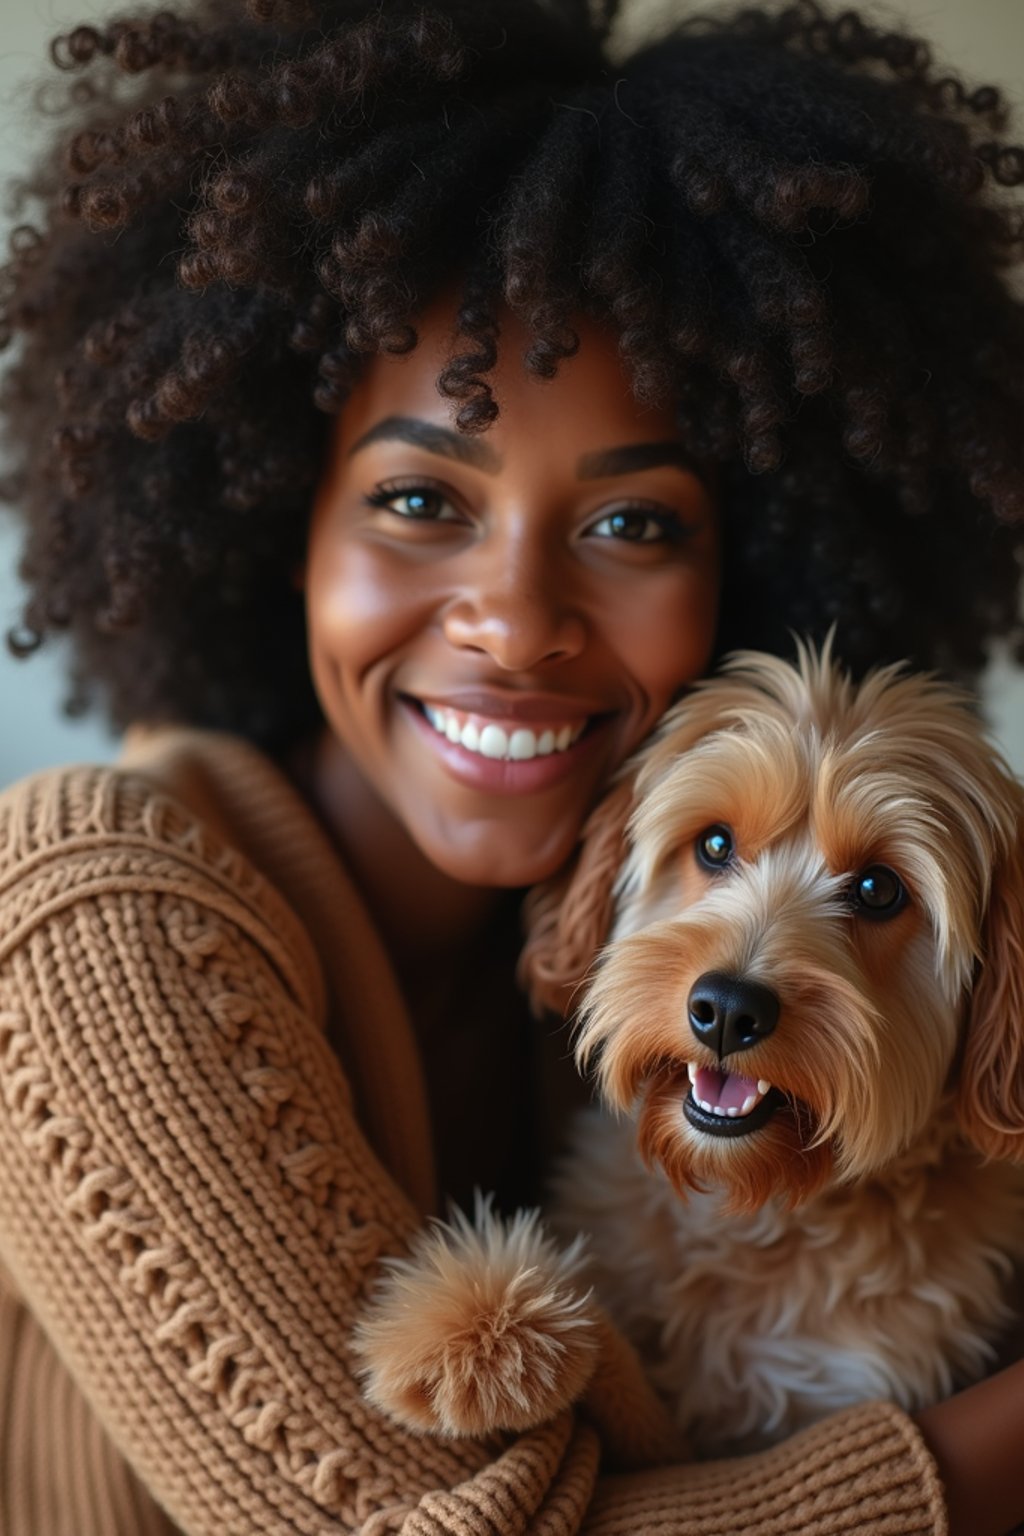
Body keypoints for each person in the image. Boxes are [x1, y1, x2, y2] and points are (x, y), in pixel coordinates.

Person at [0, 0, 1022, 1531]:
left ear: (738, 572)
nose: (519, 621)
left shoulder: (600, 956)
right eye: (421, 498)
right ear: (283, 520)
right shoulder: (92, 918)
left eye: (632, 524)